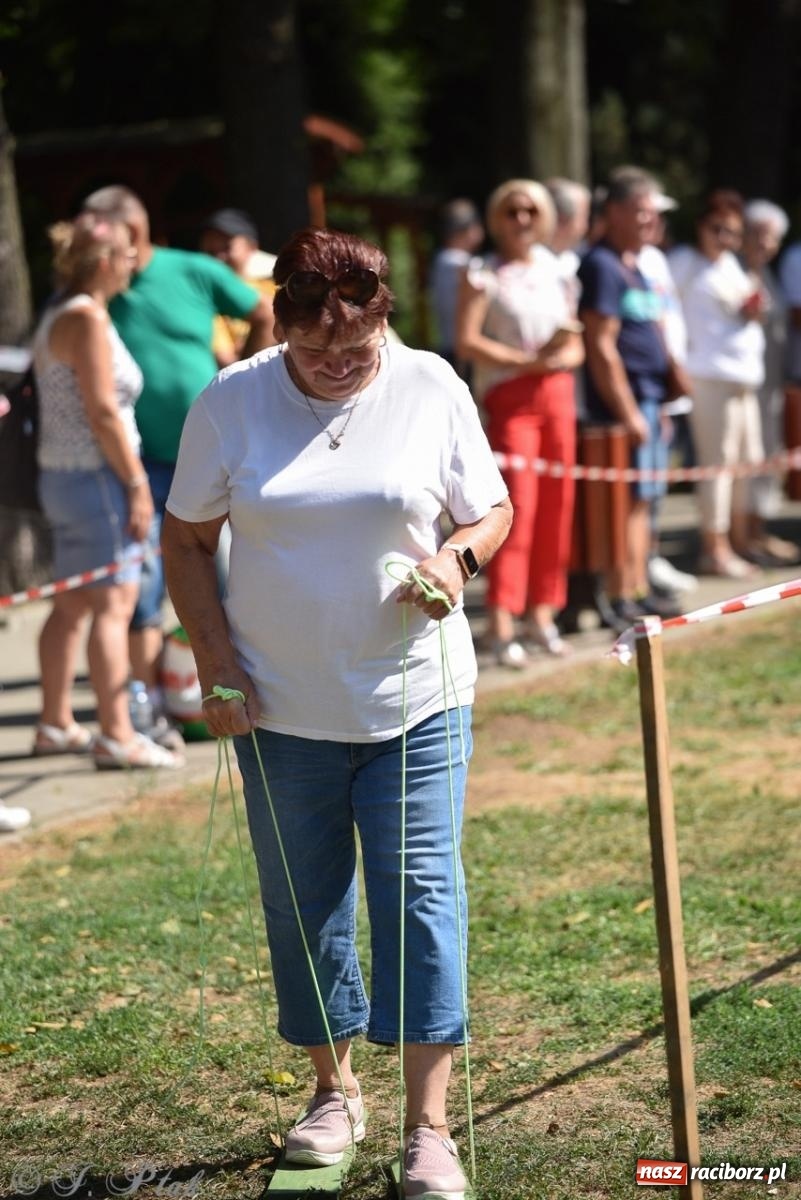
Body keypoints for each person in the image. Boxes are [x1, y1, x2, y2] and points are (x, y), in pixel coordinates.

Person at [161, 227, 512, 1198]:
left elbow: (490, 510)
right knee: (304, 905)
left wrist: (456, 560)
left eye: (355, 351)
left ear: (383, 320)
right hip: (279, 706)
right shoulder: (232, 402)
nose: (338, 366)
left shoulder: (432, 384)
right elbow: (187, 538)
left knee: (423, 899)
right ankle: (333, 1090)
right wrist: (215, 662)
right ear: (283, 332)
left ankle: (429, 1127)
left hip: (417, 698)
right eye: (316, 353)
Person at [80, 186, 274, 732]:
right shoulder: (98, 288)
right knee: (141, 586)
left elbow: (262, 310)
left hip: (216, 458)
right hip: (137, 464)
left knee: (229, 576)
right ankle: (148, 709)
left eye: (113, 239)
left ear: (135, 232)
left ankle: (243, 688)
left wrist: (249, 375)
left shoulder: (191, 269)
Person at [31, 214, 183, 769]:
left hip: (64, 477)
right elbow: (102, 410)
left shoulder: (59, 314)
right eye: (124, 255)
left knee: (72, 602)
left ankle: (54, 721)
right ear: (102, 263)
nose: (132, 264)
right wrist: (137, 485)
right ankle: (117, 733)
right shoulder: (87, 319)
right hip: (97, 477)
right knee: (114, 603)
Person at [456, 179, 584, 666]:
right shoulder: (484, 272)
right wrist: (523, 361)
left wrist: (562, 352)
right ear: (497, 217)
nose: (522, 220)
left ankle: (543, 615)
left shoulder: (558, 271)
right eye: (512, 211)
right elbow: (467, 340)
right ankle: (503, 621)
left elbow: (578, 340)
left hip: (558, 392)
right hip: (511, 393)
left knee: (559, 504)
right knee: (517, 508)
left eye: (531, 210)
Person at [577, 171, 685, 630]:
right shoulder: (601, 265)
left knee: (646, 501)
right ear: (614, 212)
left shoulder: (636, 264)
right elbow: (601, 346)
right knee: (626, 503)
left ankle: (638, 586)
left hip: (651, 399)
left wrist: (659, 404)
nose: (649, 219)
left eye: (653, 211)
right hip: (624, 406)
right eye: (641, 210)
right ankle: (621, 594)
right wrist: (627, 411)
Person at [669, 190, 766, 579]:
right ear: (701, 227)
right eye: (717, 229)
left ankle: (741, 540)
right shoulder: (685, 263)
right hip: (709, 377)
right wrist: (677, 364)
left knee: (747, 463)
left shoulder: (731, 265)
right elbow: (667, 312)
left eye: (733, 232)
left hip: (743, 378)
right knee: (717, 466)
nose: (724, 239)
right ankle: (715, 547)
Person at [738, 200, 798, 565]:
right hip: (747, 385)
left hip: (773, 382)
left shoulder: (769, 273)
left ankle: (757, 530)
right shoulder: (736, 271)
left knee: (768, 457)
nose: (765, 243)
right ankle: (741, 535)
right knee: (747, 459)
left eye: (772, 238)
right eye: (759, 235)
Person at [199, 206, 277, 366]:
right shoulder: (205, 301)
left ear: (252, 248)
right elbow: (226, 361)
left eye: (227, 248)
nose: (218, 259)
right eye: (211, 252)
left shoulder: (273, 290)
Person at [428, 198, 484, 377]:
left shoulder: (441, 260)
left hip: (450, 346)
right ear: (467, 230)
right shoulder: (459, 263)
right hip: (463, 351)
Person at [545, 177, 591, 315]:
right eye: (584, 216)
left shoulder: (572, 260)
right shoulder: (532, 261)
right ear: (563, 218)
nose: (586, 226)